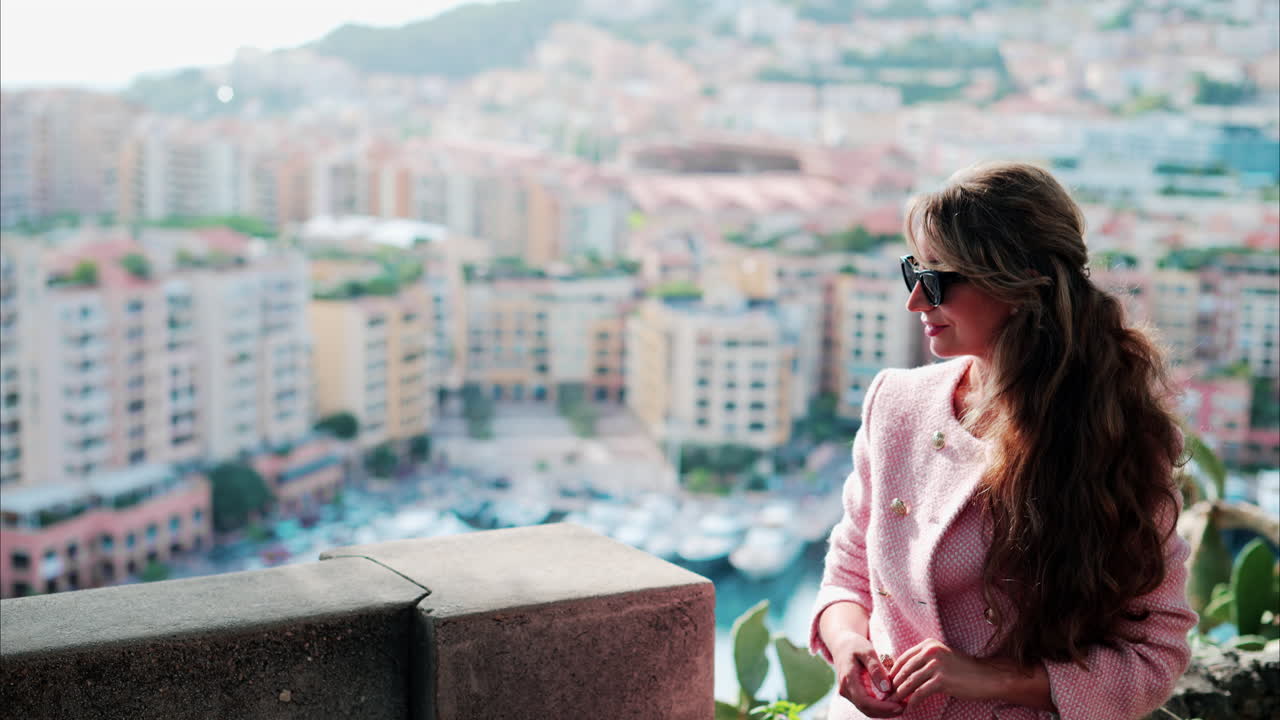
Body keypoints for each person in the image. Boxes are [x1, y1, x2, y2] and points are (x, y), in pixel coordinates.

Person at [809, 162, 1197, 720]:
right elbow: (848, 570)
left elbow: (1153, 654)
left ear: (1013, 286)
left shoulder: (1118, 438)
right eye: (912, 272)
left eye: (938, 280)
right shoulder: (895, 404)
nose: (916, 301)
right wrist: (847, 644)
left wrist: (991, 679)